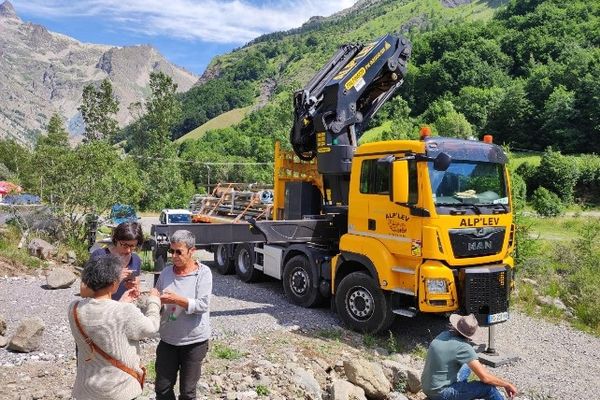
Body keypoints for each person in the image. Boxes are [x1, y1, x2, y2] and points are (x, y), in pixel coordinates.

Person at [68, 254, 160, 400]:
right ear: (113, 284)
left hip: (87, 389)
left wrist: (122, 302)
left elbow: (102, 314)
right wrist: (154, 301)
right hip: (119, 389)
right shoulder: (124, 312)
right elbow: (151, 327)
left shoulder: (74, 308)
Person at [154, 230, 212, 400]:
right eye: (171, 251)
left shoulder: (203, 273)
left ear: (192, 251)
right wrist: (150, 300)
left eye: (179, 251)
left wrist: (177, 299)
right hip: (168, 340)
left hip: (194, 342)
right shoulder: (166, 273)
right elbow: (156, 301)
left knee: (187, 392)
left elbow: (202, 305)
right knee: (162, 388)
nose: (174, 256)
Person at [421, 313, 518, 400]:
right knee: (488, 388)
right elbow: (485, 378)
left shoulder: (444, 335)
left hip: (427, 386)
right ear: (469, 335)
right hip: (441, 393)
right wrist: (507, 384)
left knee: (467, 366)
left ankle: (463, 393)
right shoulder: (464, 347)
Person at [86, 221, 144, 300]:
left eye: (132, 246)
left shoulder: (135, 259)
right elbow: (84, 290)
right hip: (101, 309)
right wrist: (115, 279)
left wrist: (135, 287)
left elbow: (136, 283)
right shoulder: (99, 256)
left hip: (124, 309)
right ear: (116, 239)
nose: (128, 250)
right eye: (124, 245)